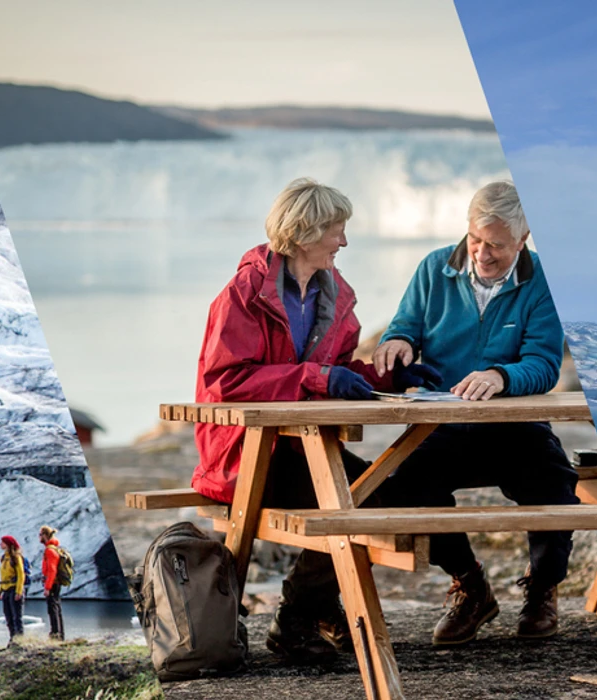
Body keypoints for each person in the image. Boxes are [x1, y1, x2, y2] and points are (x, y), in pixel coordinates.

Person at [191, 178, 436, 663]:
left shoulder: (335, 295)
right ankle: (302, 620)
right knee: (352, 502)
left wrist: (388, 376)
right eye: (336, 230)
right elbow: (226, 382)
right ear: (304, 232)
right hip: (245, 455)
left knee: (373, 494)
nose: (343, 241)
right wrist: (319, 376)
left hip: (302, 449)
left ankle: (304, 615)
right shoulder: (242, 294)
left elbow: (334, 373)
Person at [370, 181, 576, 645]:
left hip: (514, 428)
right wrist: (398, 341)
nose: (482, 254)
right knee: (402, 486)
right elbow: (403, 327)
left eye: (497, 246)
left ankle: (542, 589)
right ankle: (471, 585)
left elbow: (544, 364)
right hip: (442, 424)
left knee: (556, 484)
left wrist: (501, 377)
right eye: (475, 240)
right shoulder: (433, 269)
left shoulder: (544, 279)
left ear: (523, 240)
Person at [39, 525, 65, 641]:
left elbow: (52, 570)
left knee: (53, 609)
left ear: (45, 535)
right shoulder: (54, 548)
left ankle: (56, 634)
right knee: (56, 608)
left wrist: (47, 587)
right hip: (55, 582)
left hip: (53, 583)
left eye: (40, 535)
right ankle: (59, 634)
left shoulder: (50, 550)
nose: (39, 537)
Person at [0, 535, 26, 642]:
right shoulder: (4, 558)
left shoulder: (16, 557)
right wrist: (0, 590)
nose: (0, 544)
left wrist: (19, 591)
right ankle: (13, 638)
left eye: (2, 542)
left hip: (14, 589)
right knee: (8, 617)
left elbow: (21, 575)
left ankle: (20, 640)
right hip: (6, 589)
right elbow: (3, 576)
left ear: (8, 544)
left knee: (16, 617)